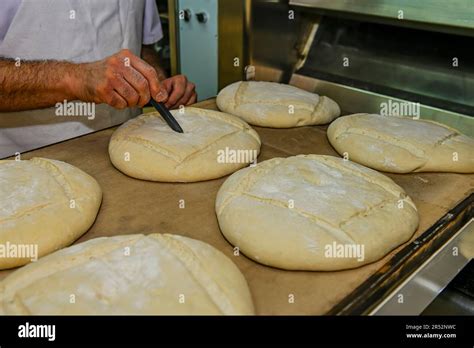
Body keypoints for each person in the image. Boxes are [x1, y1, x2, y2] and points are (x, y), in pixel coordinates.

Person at [0, 0, 196, 157]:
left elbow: (141, 45)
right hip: (29, 162)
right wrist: (76, 79)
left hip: (131, 145)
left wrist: (155, 82)